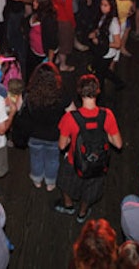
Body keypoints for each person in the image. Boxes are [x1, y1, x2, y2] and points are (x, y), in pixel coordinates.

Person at [55, 74, 122, 223]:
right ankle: (82, 213)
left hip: (74, 161)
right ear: (98, 91)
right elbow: (118, 144)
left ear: (79, 92)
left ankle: (68, 205)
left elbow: (62, 145)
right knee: (91, 190)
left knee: (65, 183)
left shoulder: (71, 118)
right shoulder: (107, 115)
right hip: (98, 162)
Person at [24, 62, 73, 192]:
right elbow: (73, 113)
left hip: (34, 134)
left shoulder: (29, 95)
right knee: (52, 159)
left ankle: (37, 179)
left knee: (35, 157)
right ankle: (50, 182)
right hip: (55, 136)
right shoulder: (61, 95)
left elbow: (20, 109)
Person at [88, 0, 124, 95]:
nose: (102, 7)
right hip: (102, 51)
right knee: (103, 71)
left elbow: (117, 44)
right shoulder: (104, 16)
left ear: (111, 6)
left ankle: (100, 99)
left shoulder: (114, 23)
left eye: (105, 5)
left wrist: (100, 42)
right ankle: (119, 82)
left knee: (100, 76)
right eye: (101, 4)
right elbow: (100, 29)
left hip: (107, 53)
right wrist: (95, 33)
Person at [27, 0, 59, 81]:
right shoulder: (38, 13)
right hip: (33, 49)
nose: (33, 2)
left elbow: (52, 42)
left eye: (36, 1)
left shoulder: (49, 20)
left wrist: (49, 62)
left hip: (41, 53)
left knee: (37, 76)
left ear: (43, 4)